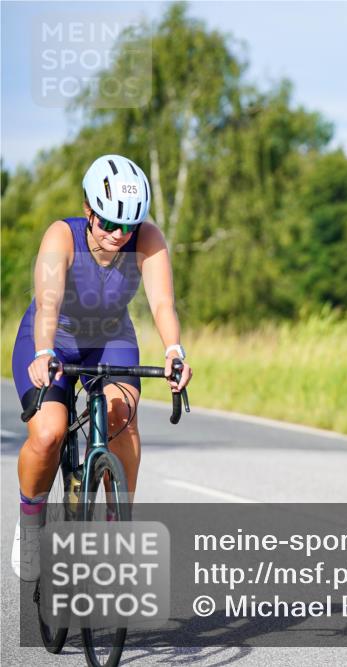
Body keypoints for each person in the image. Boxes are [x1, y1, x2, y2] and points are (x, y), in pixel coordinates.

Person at [10, 154, 193, 580]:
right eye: (109, 222)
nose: (118, 234)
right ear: (89, 209)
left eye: (127, 225)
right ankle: (32, 521)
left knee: (122, 418)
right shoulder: (62, 235)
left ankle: (116, 524)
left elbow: (162, 303)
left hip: (111, 339)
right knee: (50, 433)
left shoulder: (147, 238)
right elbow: (49, 302)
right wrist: (42, 352)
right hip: (53, 338)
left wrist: (173, 351)